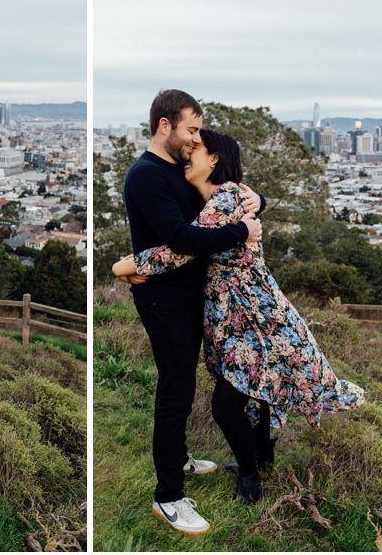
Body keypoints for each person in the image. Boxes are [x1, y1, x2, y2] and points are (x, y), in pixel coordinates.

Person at [113, 129, 366, 509]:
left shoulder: (227, 196)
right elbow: (189, 236)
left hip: (257, 318)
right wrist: (258, 203)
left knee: (228, 404)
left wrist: (123, 265)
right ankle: (262, 457)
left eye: (196, 148)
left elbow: (178, 250)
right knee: (255, 388)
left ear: (214, 159)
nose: (188, 153)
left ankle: (250, 473)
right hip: (236, 320)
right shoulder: (216, 199)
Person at [120, 90, 263, 536]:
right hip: (164, 298)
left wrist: (254, 202)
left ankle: (179, 458)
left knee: (182, 383)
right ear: (165, 125)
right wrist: (243, 229)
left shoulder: (178, 169)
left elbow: (222, 197)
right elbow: (182, 238)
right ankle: (168, 496)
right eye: (191, 130)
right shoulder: (147, 175)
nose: (195, 139)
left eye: (198, 132)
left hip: (189, 294)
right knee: (176, 390)